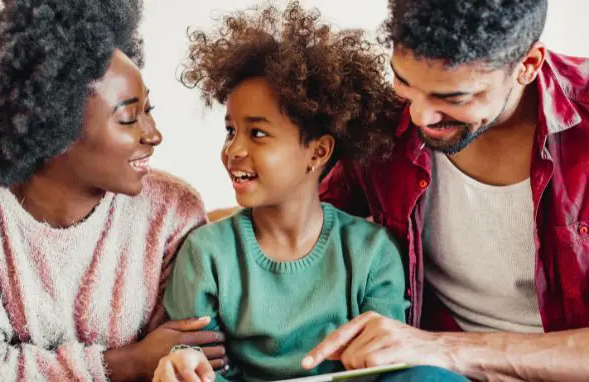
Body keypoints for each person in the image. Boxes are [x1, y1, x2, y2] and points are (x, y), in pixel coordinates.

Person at [151, 2, 468, 381]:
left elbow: (386, 365)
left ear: (318, 151)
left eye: (257, 133)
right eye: (231, 131)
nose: (234, 150)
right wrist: (185, 365)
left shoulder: (372, 253)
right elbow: (201, 365)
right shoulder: (206, 255)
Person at [0, 0, 227, 380]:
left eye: (150, 109)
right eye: (129, 117)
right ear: (56, 129)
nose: (153, 134)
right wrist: (127, 362)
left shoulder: (171, 212)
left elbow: (179, 363)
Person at [308, 0, 589, 380]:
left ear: (527, 66)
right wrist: (201, 318)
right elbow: (295, 219)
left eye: (453, 98)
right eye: (404, 82)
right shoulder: (384, 121)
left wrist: (443, 348)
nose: (420, 117)